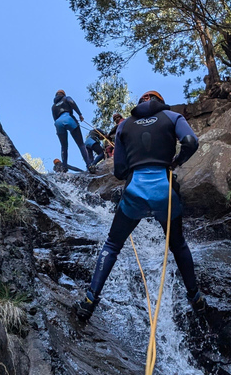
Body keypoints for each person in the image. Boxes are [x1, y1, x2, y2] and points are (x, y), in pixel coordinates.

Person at [75, 90, 205, 321]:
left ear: (139, 104)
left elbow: (119, 170)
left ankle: (89, 301)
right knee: (178, 245)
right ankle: (195, 298)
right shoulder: (173, 117)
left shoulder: (125, 126)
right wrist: (176, 161)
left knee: (113, 245)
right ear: (161, 102)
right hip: (165, 191)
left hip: (134, 190)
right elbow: (190, 141)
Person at [52, 90, 92, 172]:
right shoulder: (66, 98)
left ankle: (64, 167)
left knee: (64, 146)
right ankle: (89, 165)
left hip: (58, 123)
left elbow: (55, 119)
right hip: (69, 118)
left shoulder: (53, 106)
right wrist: (80, 114)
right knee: (81, 144)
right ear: (63, 94)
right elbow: (72, 102)